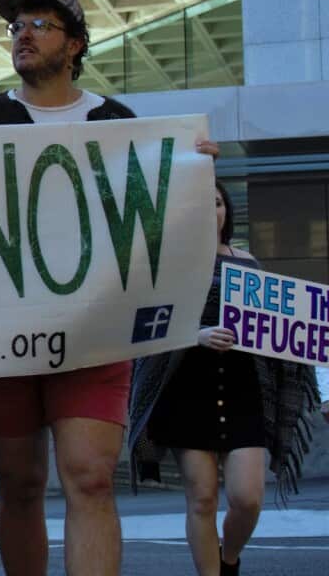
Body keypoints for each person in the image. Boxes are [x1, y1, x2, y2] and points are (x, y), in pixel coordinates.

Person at [0, 0, 219, 576]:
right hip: (3, 335)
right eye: (16, 25)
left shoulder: (116, 123)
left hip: (97, 330)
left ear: (74, 44)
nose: (22, 32)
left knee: (92, 477)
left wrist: (194, 169)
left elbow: (159, 217)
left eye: (40, 24)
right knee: (19, 483)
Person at [128, 182, 322, 576]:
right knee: (200, 498)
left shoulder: (247, 262)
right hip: (186, 391)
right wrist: (195, 336)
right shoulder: (166, 265)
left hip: (242, 391)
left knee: (247, 498)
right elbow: (145, 325)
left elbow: (286, 331)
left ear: (226, 211)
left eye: (217, 203)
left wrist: (321, 391)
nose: (212, 211)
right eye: (201, 203)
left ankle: (228, 558)